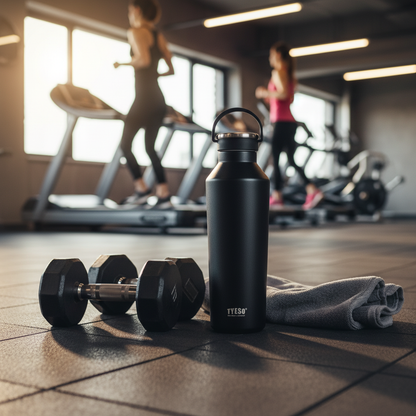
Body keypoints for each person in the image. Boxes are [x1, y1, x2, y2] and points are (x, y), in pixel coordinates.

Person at [114, 0, 174, 207]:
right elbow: (170, 68)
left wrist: (123, 63)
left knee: (125, 144)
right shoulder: (158, 35)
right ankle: (164, 193)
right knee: (150, 147)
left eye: (130, 9)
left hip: (144, 98)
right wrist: (153, 75)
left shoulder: (135, 31)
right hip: (158, 99)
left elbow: (143, 60)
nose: (129, 13)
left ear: (137, 10)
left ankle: (141, 188)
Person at [255, 42, 323, 210]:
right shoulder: (290, 75)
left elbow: (284, 94)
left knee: (276, 158)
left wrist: (265, 92)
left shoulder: (278, 72)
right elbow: (288, 97)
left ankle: (277, 196)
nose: (270, 58)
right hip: (289, 122)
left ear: (278, 55)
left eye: (271, 54)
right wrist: (272, 97)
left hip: (281, 121)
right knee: (290, 160)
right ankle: (311, 189)